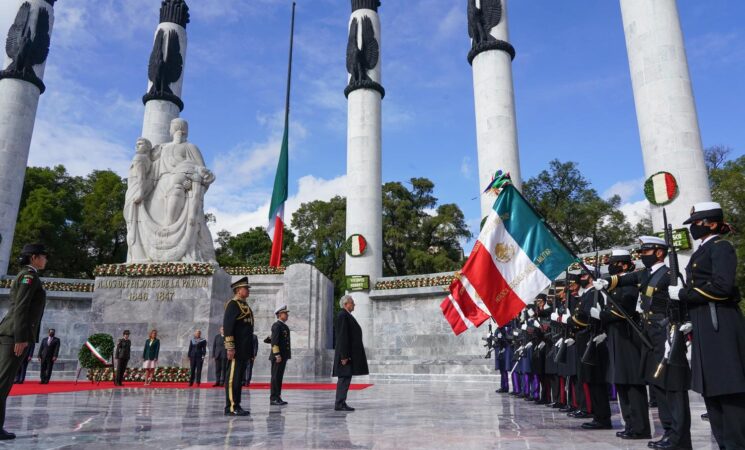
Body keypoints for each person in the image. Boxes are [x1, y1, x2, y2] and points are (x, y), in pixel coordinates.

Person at [603, 236, 691, 449]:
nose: (642, 255)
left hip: (666, 333)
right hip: (650, 335)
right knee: (658, 386)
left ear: (659, 252)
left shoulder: (669, 274)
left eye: (646, 251)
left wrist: (680, 330)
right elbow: (624, 279)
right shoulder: (646, 274)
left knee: (672, 387)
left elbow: (681, 306)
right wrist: (605, 281)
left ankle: (680, 438)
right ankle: (669, 432)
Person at [678, 202, 745, 449]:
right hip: (703, 321)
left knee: (728, 389)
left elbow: (722, 287)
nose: (693, 227)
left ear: (712, 223)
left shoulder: (721, 247)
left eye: (697, 223)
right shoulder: (702, 251)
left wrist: (684, 294)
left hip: (720, 322)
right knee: (712, 390)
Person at [598, 249, 650, 440]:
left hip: (629, 335)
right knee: (621, 381)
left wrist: (603, 314)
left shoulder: (631, 282)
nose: (613, 265)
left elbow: (624, 309)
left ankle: (640, 426)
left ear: (627, 265)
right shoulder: (613, 284)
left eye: (617, 262)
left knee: (632, 382)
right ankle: (630, 423)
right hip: (615, 335)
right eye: (611, 262)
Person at [0, 244, 48, 440]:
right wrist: (20, 338)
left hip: (12, 334)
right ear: (34, 257)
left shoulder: (28, 275)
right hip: (13, 335)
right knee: (2, 382)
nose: (46, 260)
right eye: (44, 256)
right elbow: (21, 308)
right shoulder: (29, 276)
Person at [569, 271, 611, 431]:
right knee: (591, 381)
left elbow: (587, 317)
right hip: (585, 341)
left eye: (584, 276)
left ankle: (602, 417)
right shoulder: (588, 294)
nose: (581, 278)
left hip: (592, 341)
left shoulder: (595, 293)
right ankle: (598, 416)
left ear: (592, 277)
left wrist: (571, 320)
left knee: (597, 381)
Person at [223, 277, 254, 416]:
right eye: (245, 288)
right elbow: (228, 327)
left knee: (239, 378)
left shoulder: (245, 305)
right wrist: (230, 347)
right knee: (232, 378)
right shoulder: (233, 304)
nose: (248, 290)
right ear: (238, 290)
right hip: (236, 348)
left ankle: (237, 404)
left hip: (244, 349)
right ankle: (231, 406)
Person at [333, 295, 369, 411]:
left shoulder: (346, 315)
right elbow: (343, 337)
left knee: (346, 378)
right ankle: (339, 403)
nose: (354, 304)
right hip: (345, 355)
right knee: (344, 379)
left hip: (347, 355)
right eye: (352, 303)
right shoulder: (343, 315)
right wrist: (344, 356)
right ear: (345, 304)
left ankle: (341, 402)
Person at [270, 305, 291, 405]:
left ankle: (278, 397)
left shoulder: (284, 326)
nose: (287, 315)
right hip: (278, 356)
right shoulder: (276, 325)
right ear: (279, 315)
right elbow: (274, 341)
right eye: (285, 313)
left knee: (279, 377)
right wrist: (277, 354)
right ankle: (274, 398)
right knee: (275, 377)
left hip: (283, 356)